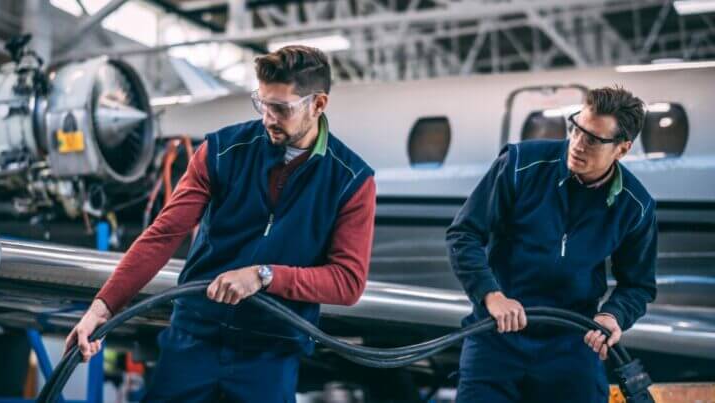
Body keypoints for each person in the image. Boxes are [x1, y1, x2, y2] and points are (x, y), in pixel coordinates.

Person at [66, 45, 376, 402]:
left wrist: (264, 275)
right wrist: (101, 309)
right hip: (194, 337)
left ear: (318, 104)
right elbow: (163, 236)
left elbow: (347, 282)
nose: (268, 118)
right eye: (262, 104)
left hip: (269, 353)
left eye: (281, 108)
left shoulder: (350, 180)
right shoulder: (222, 150)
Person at [446, 86, 656, 402]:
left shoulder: (635, 206)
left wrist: (613, 316)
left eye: (593, 140)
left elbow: (638, 285)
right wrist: (491, 295)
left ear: (622, 150)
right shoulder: (519, 165)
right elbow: (464, 235)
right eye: (577, 129)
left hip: (572, 344)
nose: (578, 144)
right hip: (497, 335)